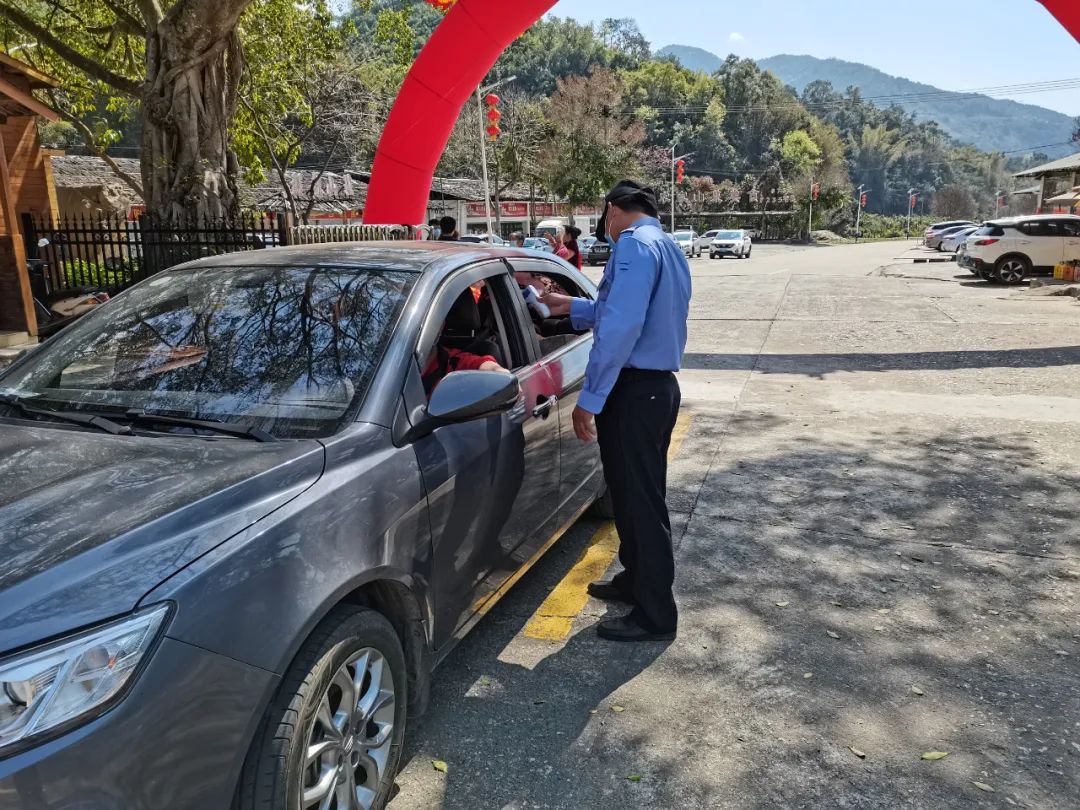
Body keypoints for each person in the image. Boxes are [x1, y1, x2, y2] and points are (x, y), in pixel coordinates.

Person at [540, 180, 691, 642]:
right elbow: (621, 312)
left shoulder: (631, 247)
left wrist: (591, 399)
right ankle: (635, 580)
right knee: (632, 496)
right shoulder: (665, 246)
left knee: (640, 503)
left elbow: (621, 329)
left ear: (612, 210)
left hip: (634, 390)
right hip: (656, 389)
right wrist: (567, 305)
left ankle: (655, 614)